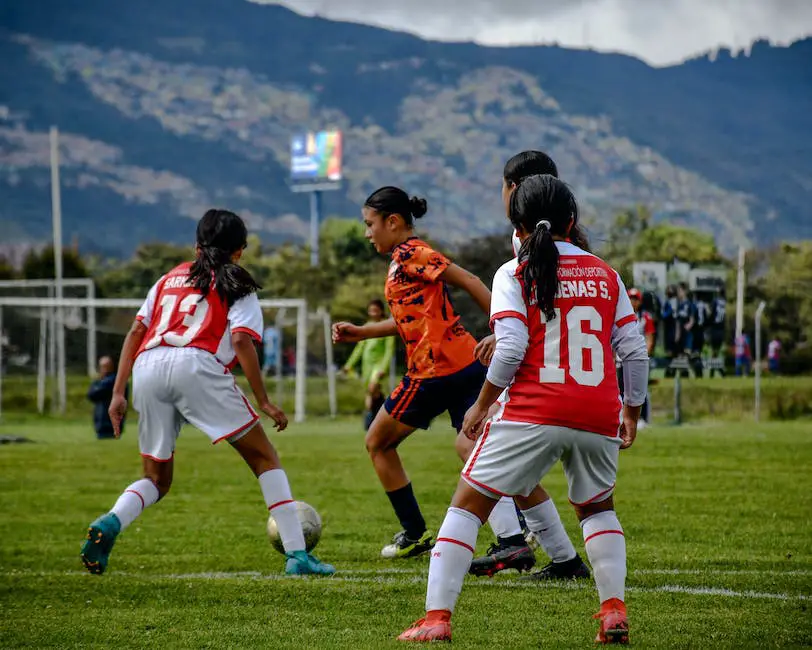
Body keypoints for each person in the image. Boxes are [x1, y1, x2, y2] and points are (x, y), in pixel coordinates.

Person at [397, 175, 648, 644]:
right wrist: (631, 412)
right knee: (597, 510)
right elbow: (633, 352)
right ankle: (613, 610)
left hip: (533, 411)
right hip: (597, 413)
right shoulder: (606, 273)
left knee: (467, 507)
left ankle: (436, 619)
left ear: (517, 224)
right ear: (572, 221)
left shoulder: (512, 272)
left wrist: (480, 406)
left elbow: (510, 349)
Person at [80, 209, 334, 577]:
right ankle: (298, 556)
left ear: (196, 247)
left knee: (155, 479)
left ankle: (111, 521)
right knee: (264, 458)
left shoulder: (168, 278)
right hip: (197, 366)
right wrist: (263, 400)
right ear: (240, 251)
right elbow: (242, 341)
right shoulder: (238, 284)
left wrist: (118, 393)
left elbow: (136, 333)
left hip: (147, 367)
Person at [332, 187, 495, 560]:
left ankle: (414, 531)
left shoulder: (411, 253)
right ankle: (521, 529)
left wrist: (502, 327)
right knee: (475, 449)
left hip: (433, 372)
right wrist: (362, 331)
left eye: (369, 224)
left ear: (393, 221)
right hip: (464, 364)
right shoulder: (402, 258)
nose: (367, 232)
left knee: (377, 442)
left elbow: (470, 280)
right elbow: (411, 319)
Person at [470, 150, 590, 581]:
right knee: (591, 499)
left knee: (474, 447)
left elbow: (541, 311)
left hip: (541, 378)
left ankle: (513, 542)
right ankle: (560, 558)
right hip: (581, 378)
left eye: (503, 186)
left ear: (514, 189)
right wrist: (502, 331)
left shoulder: (527, 238)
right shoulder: (564, 233)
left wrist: (506, 338)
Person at [342, 299, 397, 430]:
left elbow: (389, 350)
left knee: (372, 389)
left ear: (381, 311)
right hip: (367, 365)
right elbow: (359, 349)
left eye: (375, 310)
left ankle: (372, 419)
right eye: (371, 310)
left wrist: (384, 367)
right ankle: (383, 416)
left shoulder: (387, 326)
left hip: (378, 365)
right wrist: (349, 364)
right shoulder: (367, 326)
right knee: (372, 393)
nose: (373, 313)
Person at [617, 288, 654, 427]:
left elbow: (650, 338)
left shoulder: (645, 318)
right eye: (630, 298)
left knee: (640, 388)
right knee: (621, 388)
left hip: (638, 358)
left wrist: (644, 356)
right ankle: (623, 417)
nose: (633, 301)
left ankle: (642, 418)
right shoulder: (620, 316)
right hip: (622, 359)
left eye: (635, 299)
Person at [87, 355, 127, 439]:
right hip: (100, 422)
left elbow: (94, 393)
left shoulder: (114, 381)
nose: (104, 369)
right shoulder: (101, 381)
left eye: (106, 366)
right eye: (102, 366)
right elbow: (90, 394)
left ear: (111, 366)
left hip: (110, 423)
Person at [709, 289, 727, 377]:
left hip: (715, 329)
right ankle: (717, 372)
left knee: (714, 352)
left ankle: (718, 371)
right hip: (721, 330)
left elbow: (711, 314)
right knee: (715, 353)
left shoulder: (715, 302)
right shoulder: (725, 303)